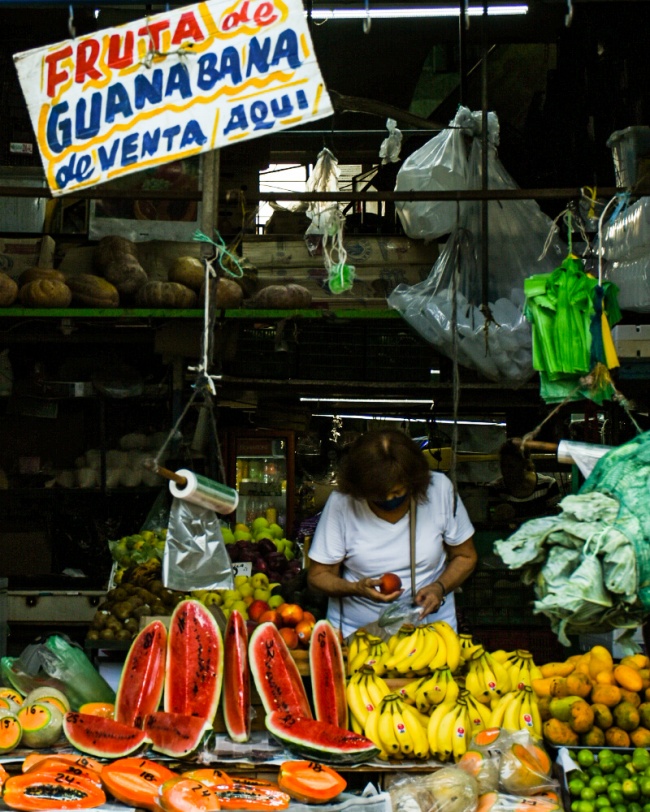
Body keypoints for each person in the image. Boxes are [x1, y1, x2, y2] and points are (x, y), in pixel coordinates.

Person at [307, 429, 477, 639]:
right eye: (378, 495)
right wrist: (356, 588)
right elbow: (318, 576)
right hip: (356, 633)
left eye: (397, 493)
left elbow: (465, 556)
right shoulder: (342, 502)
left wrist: (439, 588)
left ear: (414, 483)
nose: (389, 499)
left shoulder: (439, 490)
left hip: (431, 634)